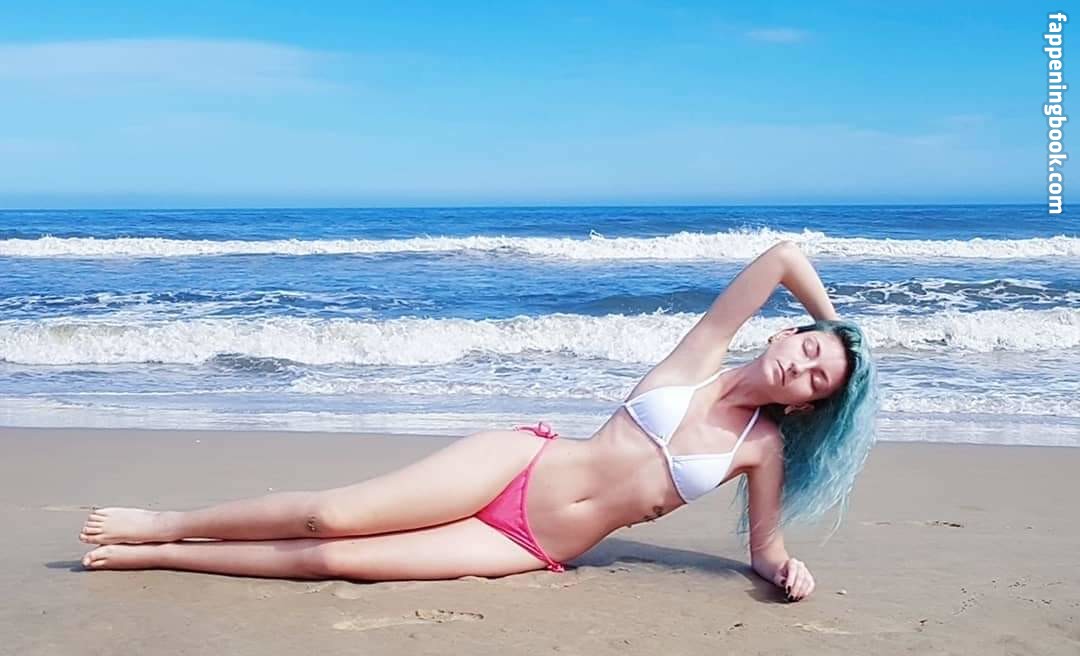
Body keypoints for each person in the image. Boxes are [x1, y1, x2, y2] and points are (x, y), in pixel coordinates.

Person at [78, 240, 879, 603]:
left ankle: (166, 557)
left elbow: (765, 548)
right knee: (333, 516)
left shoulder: (759, 448)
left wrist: (786, 572)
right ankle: (163, 522)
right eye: (809, 349)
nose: (804, 367)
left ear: (807, 405)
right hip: (517, 464)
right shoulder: (700, 355)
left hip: (529, 547)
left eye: (818, 379)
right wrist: (844, 331)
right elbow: (783, 258)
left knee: (336, 562)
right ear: (787, 333)